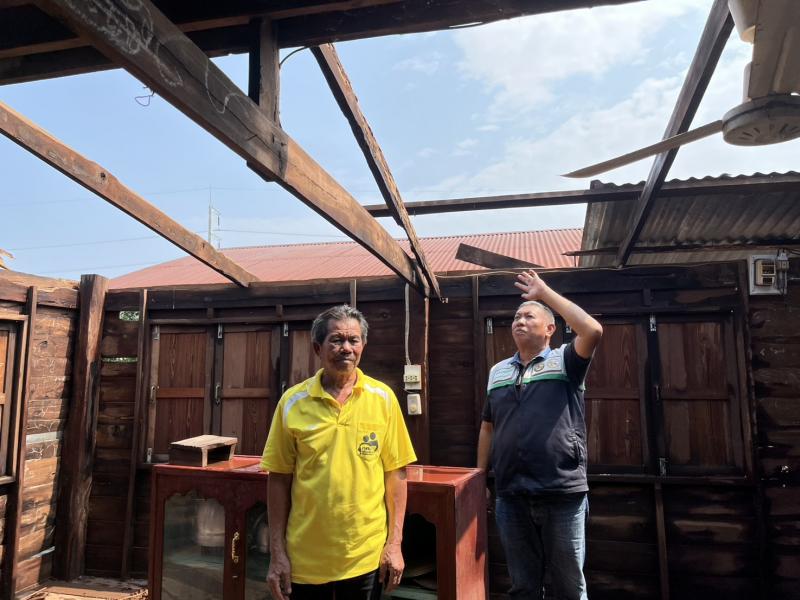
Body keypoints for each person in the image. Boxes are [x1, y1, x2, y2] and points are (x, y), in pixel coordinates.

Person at [262, 304, 417, 600]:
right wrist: (277, 552)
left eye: (353, 340)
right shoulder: (292, 403)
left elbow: (396, 474)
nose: (346, 348)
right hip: (305, 559)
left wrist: (394, 544)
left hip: (365, 557)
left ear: (363, 346)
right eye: (336, 340)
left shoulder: (383, 398)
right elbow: (278, 478)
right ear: (317, 348)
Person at [477, 269, 603, 600]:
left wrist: (544, 293)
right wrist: (480, 478)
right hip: (511, 495)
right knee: (523, 587)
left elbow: (592, 330)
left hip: (561, 493)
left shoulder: (566, 361)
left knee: (569, 588)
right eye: (516, 317)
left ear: (550, 329)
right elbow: (488, 426)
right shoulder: (498, 371)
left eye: (529, 315)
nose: (519, 320)